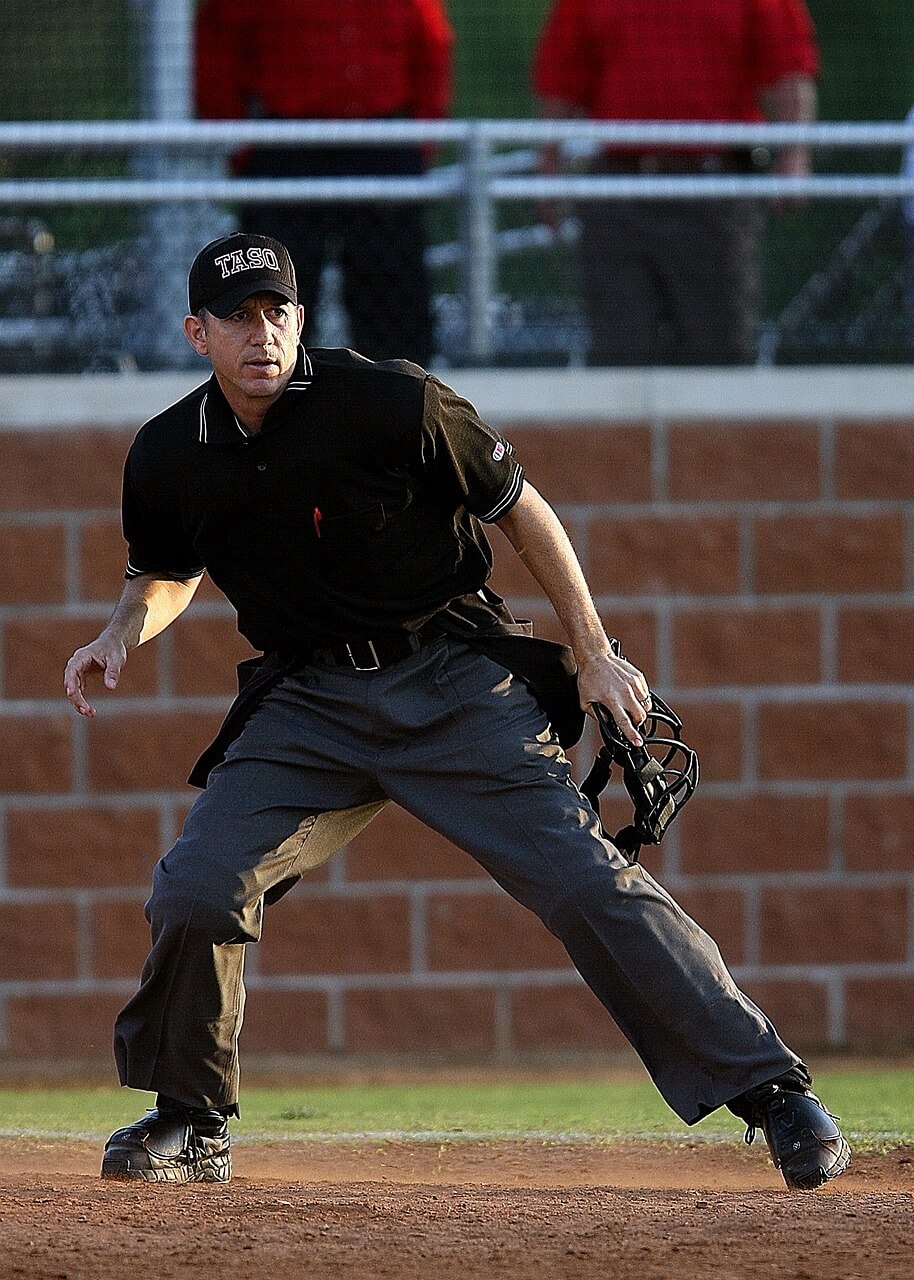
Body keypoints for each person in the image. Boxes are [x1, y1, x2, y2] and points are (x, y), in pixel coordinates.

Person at [64, 231, 849, 1191]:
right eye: (236, 317)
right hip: (307, 702)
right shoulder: (169, 453)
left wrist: (596, 657)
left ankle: (773, 1090)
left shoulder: (392, 400)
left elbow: (522, 509)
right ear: (198, 334)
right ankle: (189, 1120)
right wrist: (117, 633)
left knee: (582, 883)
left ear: (301, 319)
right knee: (197, 887)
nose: (260, 333)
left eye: (277, 311)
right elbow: (168, 572)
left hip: (451, 677)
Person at [532, 0, 820, 365]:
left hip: (713, 190)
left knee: (720, 353)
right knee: (619, 356)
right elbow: (561, 77)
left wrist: (794, 155)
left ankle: (721, 424)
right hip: (620, 189)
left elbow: (789, 67)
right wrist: (548, 165)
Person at [194, 0, 453, 366]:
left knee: (392, 293)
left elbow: (432, 46)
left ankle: (400, 405)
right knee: (271, 294)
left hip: (379, 145)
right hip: (289, 146)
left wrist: (417, 140)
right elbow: (219, 48)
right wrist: (240, 143)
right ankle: (276, 410)